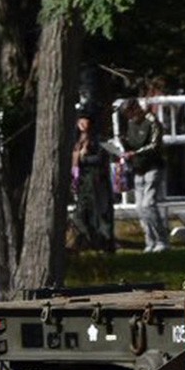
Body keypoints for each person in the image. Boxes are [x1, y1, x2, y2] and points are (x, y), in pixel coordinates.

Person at [119, 96, 169, 253]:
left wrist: (136, 152)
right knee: (140, 207)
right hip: (138, 169)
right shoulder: (130, 124)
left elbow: (155, 144)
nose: (130, 117)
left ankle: (162, 240)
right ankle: (150, 241)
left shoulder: (151, 121)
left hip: (152, 166)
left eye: (130, 112)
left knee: (149, 204)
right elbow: (131, 142)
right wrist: (124, 147)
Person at [70, 112, 118, 252]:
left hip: (97, 180)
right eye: (80, 122)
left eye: (85, 122)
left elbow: (101, 158)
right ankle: (88, 240)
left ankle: (105, 243)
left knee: (101, 212)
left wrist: (83, 159)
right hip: (82, 181)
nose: (82, 125)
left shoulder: (98, 140)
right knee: (81, 214)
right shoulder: (76, 140)